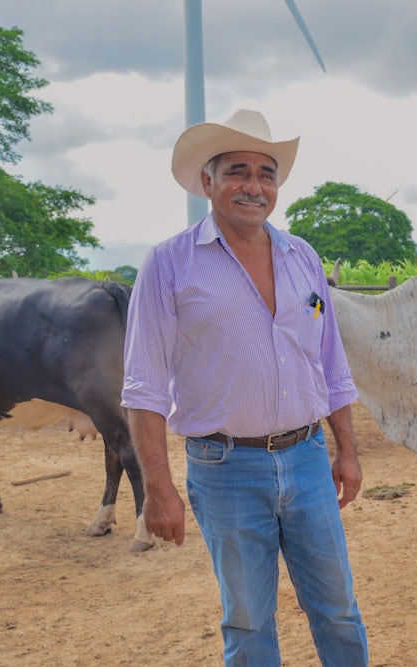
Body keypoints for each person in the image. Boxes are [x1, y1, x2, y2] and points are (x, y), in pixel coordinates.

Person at [121, 108, 369, 666]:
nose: (253, 187)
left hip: (306, 460)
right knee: (249, 621)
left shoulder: (302, 256)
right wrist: (158, 491)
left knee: (337, 609)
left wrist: (347, 452)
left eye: (266, 174)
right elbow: (144, 386)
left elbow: (330, 365)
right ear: (207, 182)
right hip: (224, 467)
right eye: (237, 171)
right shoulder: (169, 264)